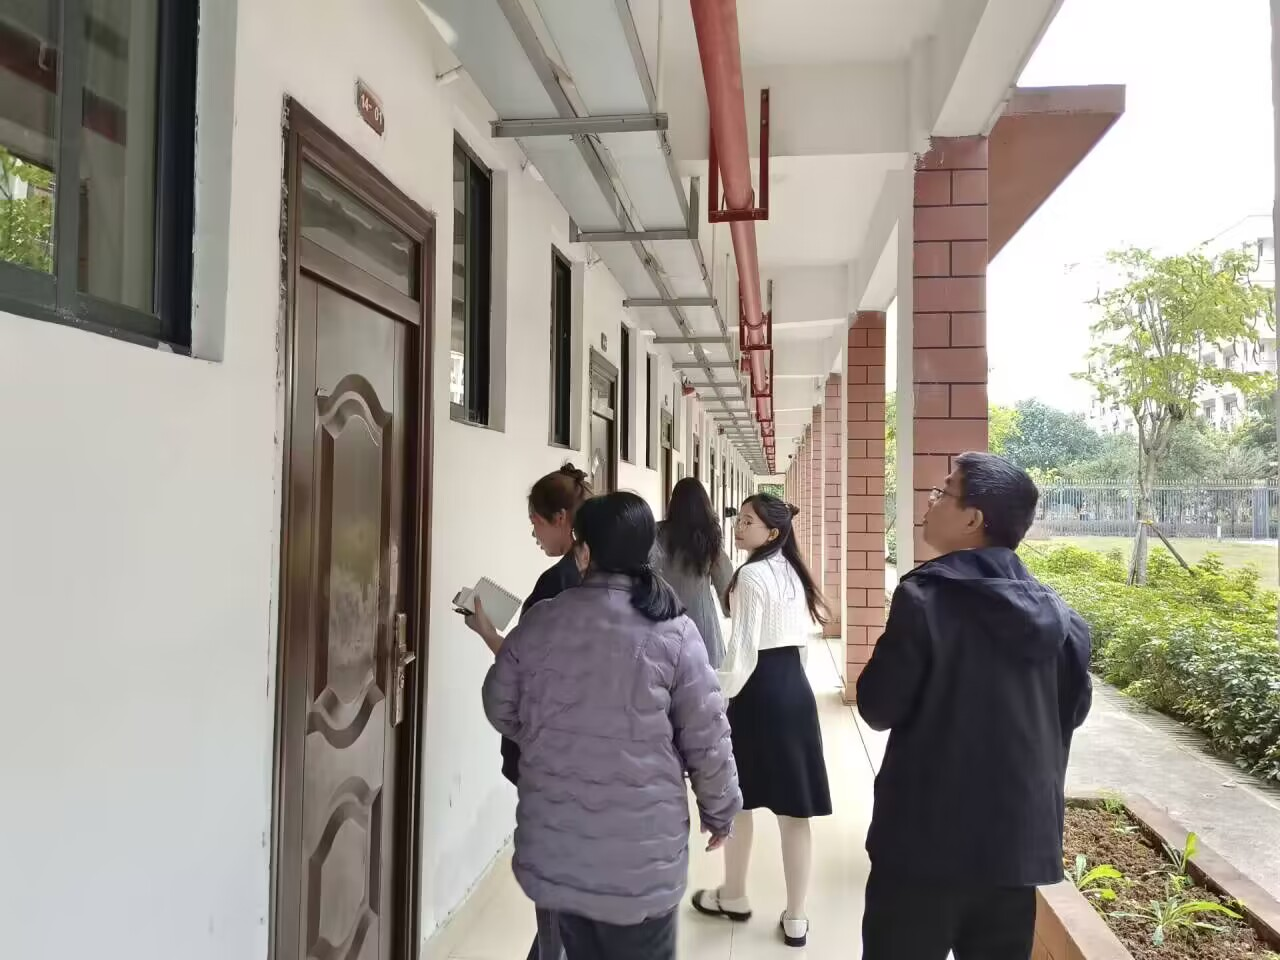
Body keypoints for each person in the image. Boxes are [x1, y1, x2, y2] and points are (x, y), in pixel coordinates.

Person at [478, 491, 742, 960]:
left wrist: (547, 737)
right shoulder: (676, 633)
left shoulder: (541, 622)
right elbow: (707, 737)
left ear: (584, 552)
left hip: (557, 851)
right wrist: (720, 810)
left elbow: (499, 703)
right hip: (642, 861)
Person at [856, 452, 1093, 960]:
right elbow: (1070, 715)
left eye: (943, 492)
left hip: (922, 847)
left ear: (973, 519)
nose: (929, 502)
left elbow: (877, 707)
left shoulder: (923, 600)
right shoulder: (1065, 621)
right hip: (1016, 852)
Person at [462, 462, 590, 960]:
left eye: (536, 522)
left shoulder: (557, 583)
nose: (533, 534)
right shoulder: (601, 574)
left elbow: (525, 669)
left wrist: (488, 634)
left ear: (560, 518)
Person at [691, 493, 832, 949]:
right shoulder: (793, 570)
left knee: (741, 800)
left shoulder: (750, 575)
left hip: (757, 692)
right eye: (740, 518)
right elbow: (801, 644)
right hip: (794, 690)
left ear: (771, 532)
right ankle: (797, 917)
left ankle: (733, 895)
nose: (739, 526)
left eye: (748, 521)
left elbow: (742, 653)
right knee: (795, 811)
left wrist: (710, 690)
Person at [650, 477, 733, 667]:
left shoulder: (655, 533)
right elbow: (727, 594)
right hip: (700, 626)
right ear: (705, 504)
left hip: (661, 622)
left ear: (673, 503)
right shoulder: (710, 539)